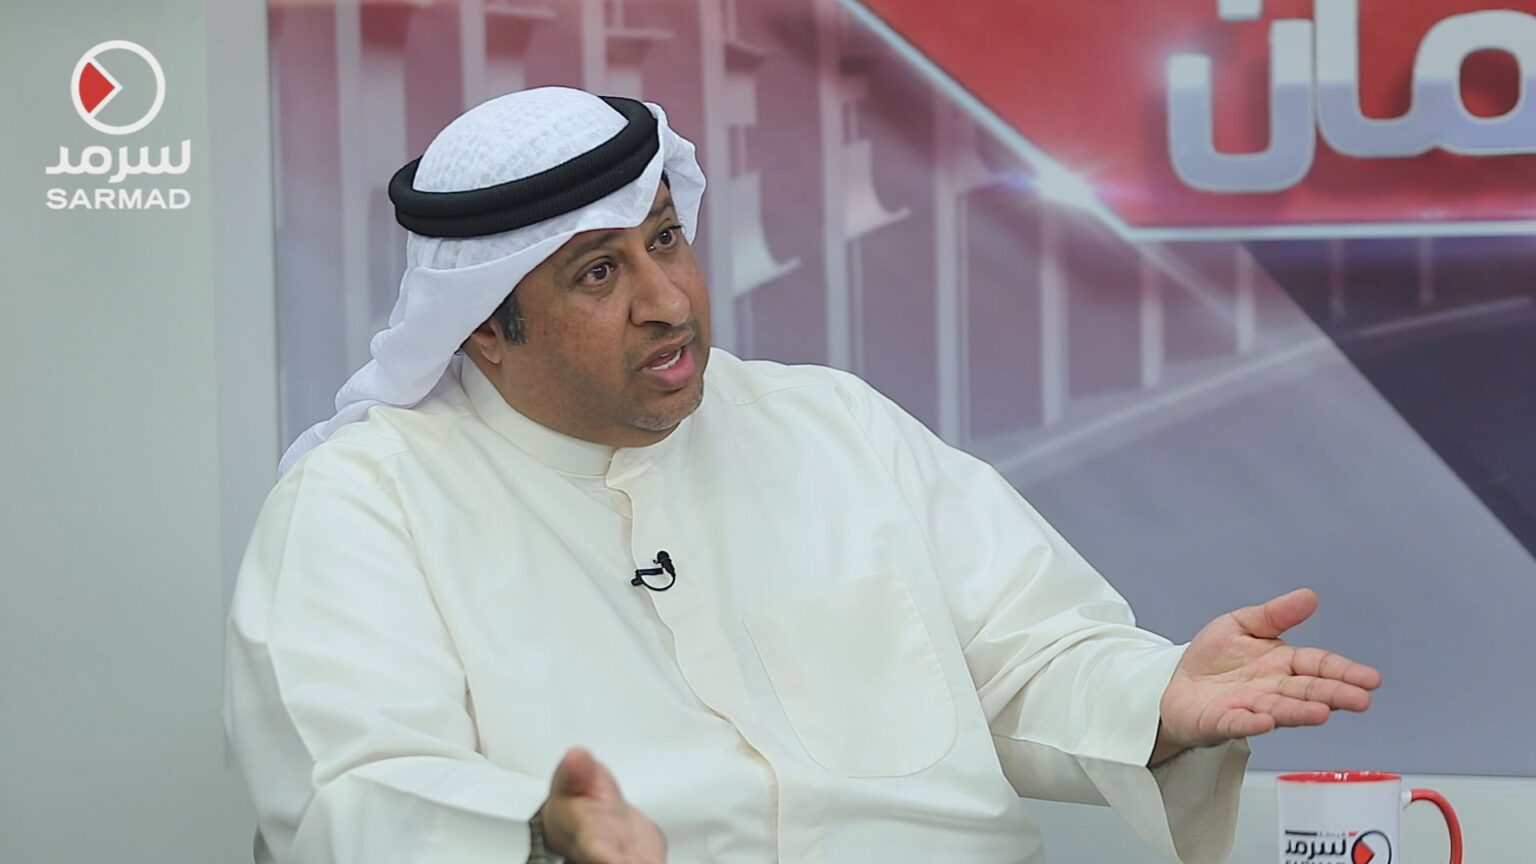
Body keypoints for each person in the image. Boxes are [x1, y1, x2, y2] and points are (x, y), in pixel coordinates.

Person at [224, 87, 1381, 864]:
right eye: (597, 275)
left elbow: (1022, 657)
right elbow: (348, 791)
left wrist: (1157, 701)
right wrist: (538, 834)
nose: (666, 300)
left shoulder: (829, 426)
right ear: (483, 326)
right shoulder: (369, 503)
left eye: (665, 239)